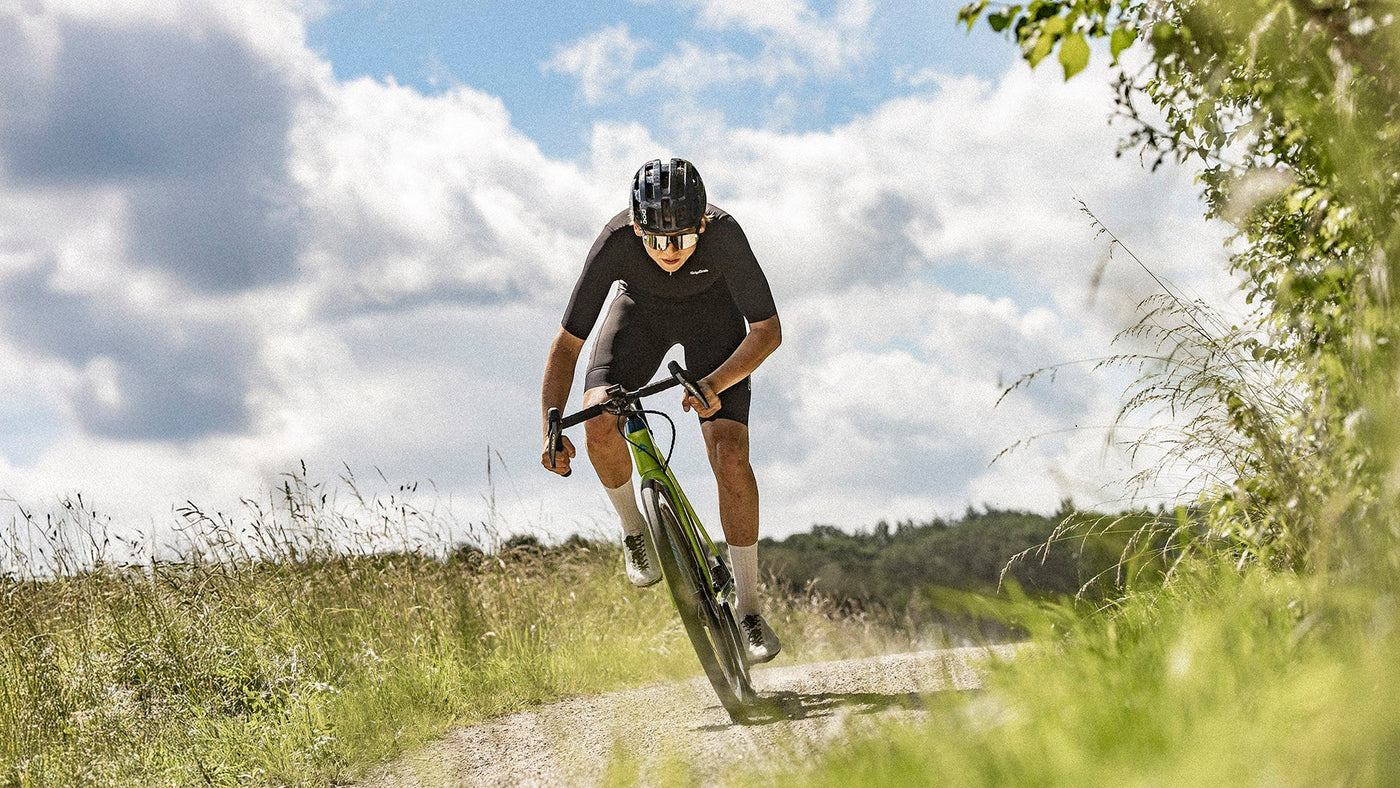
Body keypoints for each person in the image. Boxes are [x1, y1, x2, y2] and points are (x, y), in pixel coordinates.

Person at [539, 158, 782, 664]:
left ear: (702, 225)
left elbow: (766, 331)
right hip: (638, 319)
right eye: (655, 240)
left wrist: (716, 383)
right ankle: (634, 530)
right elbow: (566, 347)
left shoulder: (726, 235)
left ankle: (750, 610)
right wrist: (551, 425)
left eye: (682, 239)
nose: (669, 252)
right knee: (598, 417)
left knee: (730, 453)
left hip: (714, 324)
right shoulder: (615, 241)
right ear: (635, 227)